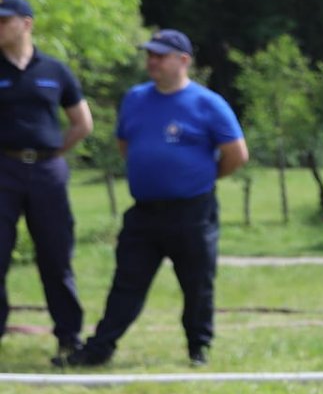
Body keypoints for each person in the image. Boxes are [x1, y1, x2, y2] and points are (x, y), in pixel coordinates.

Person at [59, 30, 247, 367]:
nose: (152, 61)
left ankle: (198, 349)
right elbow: (125, 146)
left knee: (197, 284)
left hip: (192, 211)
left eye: (161, 55)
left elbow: (236, 154)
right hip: (144, 213)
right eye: (150, 55)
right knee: (126, 283)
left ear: (184, 61)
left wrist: (203, 178)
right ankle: (98, 349)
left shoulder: (208, 103)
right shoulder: (135, 98)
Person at [0, 0, 93, 360]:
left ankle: (69, 337)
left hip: (46, 172)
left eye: (5, 20)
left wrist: (52, 153)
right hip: (2, 170)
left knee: (56, 257)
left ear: (26, 23)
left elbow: (82, 122)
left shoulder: (55, 71)